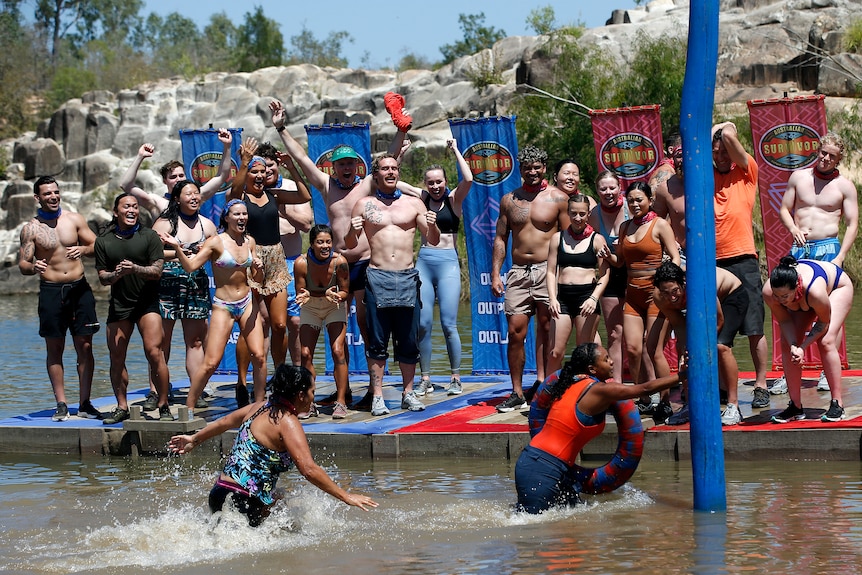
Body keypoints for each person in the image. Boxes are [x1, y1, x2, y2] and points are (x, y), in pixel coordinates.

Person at [269, 100, 411, 410]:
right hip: (333, 264)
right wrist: (281, 127)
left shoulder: (367, 185)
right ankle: (339, 392)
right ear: (334, 167)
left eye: (350, 164)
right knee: (334, 334)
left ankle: (373, 391)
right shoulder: (324, 184)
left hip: (362, 264)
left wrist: (401, 130)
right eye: (341, 164)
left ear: (357, 167)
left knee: (366, 325)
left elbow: (389, 157)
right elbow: (301, 157)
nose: (346, 169)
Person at [168, 364, 378, 527]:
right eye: (312, 391)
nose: (314, 397)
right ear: (301, 395)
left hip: (219, 493)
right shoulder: (287, 421)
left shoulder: (259, 407)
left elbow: (224, 423)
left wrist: (193, 440)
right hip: (245, 502)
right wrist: (346, 496)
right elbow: (308, 469)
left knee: (281, 499)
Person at [514, 343, 685, 514]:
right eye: (606, 359)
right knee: (536, 532)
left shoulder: (570, 383)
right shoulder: (599, 390)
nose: (612, 362)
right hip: (543, 467)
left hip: (544, 464)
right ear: (592, 369)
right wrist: (682, 375)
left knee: (568, 530)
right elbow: (644, 389)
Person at [344, 154, 440, 416]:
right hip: (377, 276)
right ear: (375, 175)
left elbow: (431, 240)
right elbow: (350, 244)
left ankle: (408, 394)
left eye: (394, 168)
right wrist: (352, 230)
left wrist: (432, 225)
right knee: (377, 340)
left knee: (408, 340)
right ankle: (377, 397)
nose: (391, 172)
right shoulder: (364, 204)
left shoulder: (414, 203)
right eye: (385, 168)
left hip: (407, 277)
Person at [226, 138, 312, 407]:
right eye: (255, 171)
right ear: (248, 173)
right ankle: (243, 381)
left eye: (264, 172)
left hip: (275, 257)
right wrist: (243, 162)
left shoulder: (274, 195)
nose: (261, 176)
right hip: (251, 258)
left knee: (280, 324)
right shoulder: (240, 199)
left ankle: (278, 376)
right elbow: (232, 192)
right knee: (252, 325)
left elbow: (305, 195)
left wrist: (292, 167)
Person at [160, 199, 266, 412]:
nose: (242, 218)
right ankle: (188, 408)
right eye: (236, 214)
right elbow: (190, 267)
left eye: (244, 214)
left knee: (260, 355)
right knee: (211, 362)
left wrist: (259, 267)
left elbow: (257, 278)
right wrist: (176, 248)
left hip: (246, 302)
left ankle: (259, 406)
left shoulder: (250, 242)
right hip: (223, 305)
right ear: (226, 217)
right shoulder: (216, 242)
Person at [774, 131, 858, 394]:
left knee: (830, 312)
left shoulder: (844, 186)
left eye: (831, 156)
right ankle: (792, 365)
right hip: (800, 249)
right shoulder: (799, 177)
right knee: (792, 308)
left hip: (828, 249)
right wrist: (792, 230)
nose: (825, 159)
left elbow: (852, 223)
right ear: (817, 150)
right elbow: (784, 209)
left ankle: (826, 371)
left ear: (838, 159)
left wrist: (841, 255)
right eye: (823, 153)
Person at [492, 145, 570, 412]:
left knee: (548, 330)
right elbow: (501, 238)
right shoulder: (509, 200)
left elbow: (569, 238)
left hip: (546, 271)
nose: (532, 171)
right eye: (527, 167)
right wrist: (495, 273)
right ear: (520, 169)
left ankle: (548, 388)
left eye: (537, 167)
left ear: (544, 168)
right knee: (515, 332)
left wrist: (568, 273)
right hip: (517, 272)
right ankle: (516, 392)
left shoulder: (558, 198)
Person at [18, 176, 102, 421]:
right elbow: (23, 262)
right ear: (38, 198)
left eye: (55, 192)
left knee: (85, 346)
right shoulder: (31, 228)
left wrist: (84, 249)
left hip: (79, 288)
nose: (53, 197)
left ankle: (85, 402)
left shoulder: (74, 219)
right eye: (47, 194)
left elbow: (96, 244)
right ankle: (62, 403)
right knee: (54, 348)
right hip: (51, 291)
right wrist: (33, 266)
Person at [397, 139, 473, 397]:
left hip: (448, 263)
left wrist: (455, 151)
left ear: (445, 181)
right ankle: (425, 377)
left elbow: (469, 179)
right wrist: (402, 153)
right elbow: (392, 180)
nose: (436, 186)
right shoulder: (422, 197)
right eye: (431, 182)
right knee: (423, 323)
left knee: (449, 323)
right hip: (425, 263)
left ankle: (455, 376)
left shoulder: (454, 199)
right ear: (425, 184)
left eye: (439, 181)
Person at [95, 193, 172, 424]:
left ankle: (164, 404)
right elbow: (103, 278)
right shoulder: (104, 240)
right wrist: (117, 274)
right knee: (116, 356)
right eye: (126, 206)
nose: (132, 210)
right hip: (120, 305)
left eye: (135, 207)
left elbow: (157, 271)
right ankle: (121, 406)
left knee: (154, 352)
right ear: (116, 211)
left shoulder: (149, 236)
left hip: (147, 304)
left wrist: (135, 269)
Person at [608, 181, 679, 422]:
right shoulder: (625, 227)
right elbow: (619, 261)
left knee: (653, 348)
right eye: (631, 201)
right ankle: (644, 398)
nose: (635, 204)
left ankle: (666, 401)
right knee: (633, 349)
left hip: (655, 295)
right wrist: (607, 255)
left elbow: (675, 257)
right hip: (632, 295)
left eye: (639, 199)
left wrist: (669, 286)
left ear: (649, 200)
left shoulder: (660, 225)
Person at [712, 121, 770, 406]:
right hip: (714, 262)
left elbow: (731, 141)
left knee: (754, 324)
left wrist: (725, 130)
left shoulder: (746, 172)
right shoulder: (705, 176)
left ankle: (761, 384)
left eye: (725, 152)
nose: (721, 156)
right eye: (716, 152)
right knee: (720, 328)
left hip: (744, 258)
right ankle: (723, 387)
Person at [652, 261, 748, 426]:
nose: (672, 298)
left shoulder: (697, 286)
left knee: (721, 346)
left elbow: (718, 321)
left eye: (675, 291)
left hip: (731, 296)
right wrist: (685, 351)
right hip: (705, 302)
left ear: (683, 282)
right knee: (684, 351)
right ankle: (690, 405)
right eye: (666, 293)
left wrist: (702, 346)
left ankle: (733, 405)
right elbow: (680, 326)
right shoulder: (659, 298)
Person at [149, 180, 218, 410]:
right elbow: (152, 254)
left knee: (196, 341)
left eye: (197, 193)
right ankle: (156, 391)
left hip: (195, 285)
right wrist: (180, 253)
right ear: (177, 198)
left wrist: (203, 253)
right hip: (166, 284)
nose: (194, 197)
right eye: (188, 194)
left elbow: (216, 252)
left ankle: (195, 391)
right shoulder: (165, 223)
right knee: (161, 341)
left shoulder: (207, 225)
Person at [762, 256, 853, 423]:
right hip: (803, 300)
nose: (780, 300)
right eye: (777, 295)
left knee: (826, 341)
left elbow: (823, 323)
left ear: (797, 286)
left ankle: (837, 404)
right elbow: (784, 321)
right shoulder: (769, 293)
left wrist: (802, 347)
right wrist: (793, 346)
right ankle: (795, 406)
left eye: (784, 296)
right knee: (786, 343)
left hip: (836, 288)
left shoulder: (815, 292)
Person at [546, 193, 611, 375]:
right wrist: (552, 298)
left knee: (583, 352)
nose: (577, 218)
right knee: (555, 352)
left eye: (582, 214)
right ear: (567, 213)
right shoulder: (557, 238)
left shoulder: (597, 240)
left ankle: (584, 392)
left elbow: (605, 274)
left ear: (588, 214)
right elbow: (551, 272)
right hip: (563, 298)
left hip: (586, 298)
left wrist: (593, 298)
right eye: (573, 213)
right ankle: (549, 392)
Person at [294, 225, 350, 419]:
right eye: (320, 242)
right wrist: (310, 295)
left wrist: (336, 296)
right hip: (310, 307)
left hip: (333, 305)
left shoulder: (340, 262)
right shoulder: (301, 263)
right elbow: (301, 292)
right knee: (305, 353)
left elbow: (345, 290)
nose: (325, 246)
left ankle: (341, 402)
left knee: (338, 350)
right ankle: (308, 403)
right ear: (312, 243)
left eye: (328, 242)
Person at [119, 129, 233, 219]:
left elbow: (221, 176)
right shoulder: (156, 202)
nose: (178, 179)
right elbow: (126, 185)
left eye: (181, 175)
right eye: (173, 177)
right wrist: (140, 156)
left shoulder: (197, 196)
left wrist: (227, 146)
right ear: (165, 181)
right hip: (166, 248)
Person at [588, 170, 629, 384]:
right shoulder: (594, 214)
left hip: (635, 274)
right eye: (603, 188)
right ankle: (617, 386)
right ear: (597, 191)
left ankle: (645, 387)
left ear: (619, 188)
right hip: (610, 274)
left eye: (612, 187)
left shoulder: (632, 207)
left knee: (638, 336)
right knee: (614, 333)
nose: (608, 192)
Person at [652, 132, 687, 268]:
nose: (682, 160)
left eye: (686, 155)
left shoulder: (711, 180)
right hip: (682, 256)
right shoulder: (665, 186)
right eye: (678, 156)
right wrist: (669, 242)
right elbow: (654, 222)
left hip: (717, 253)